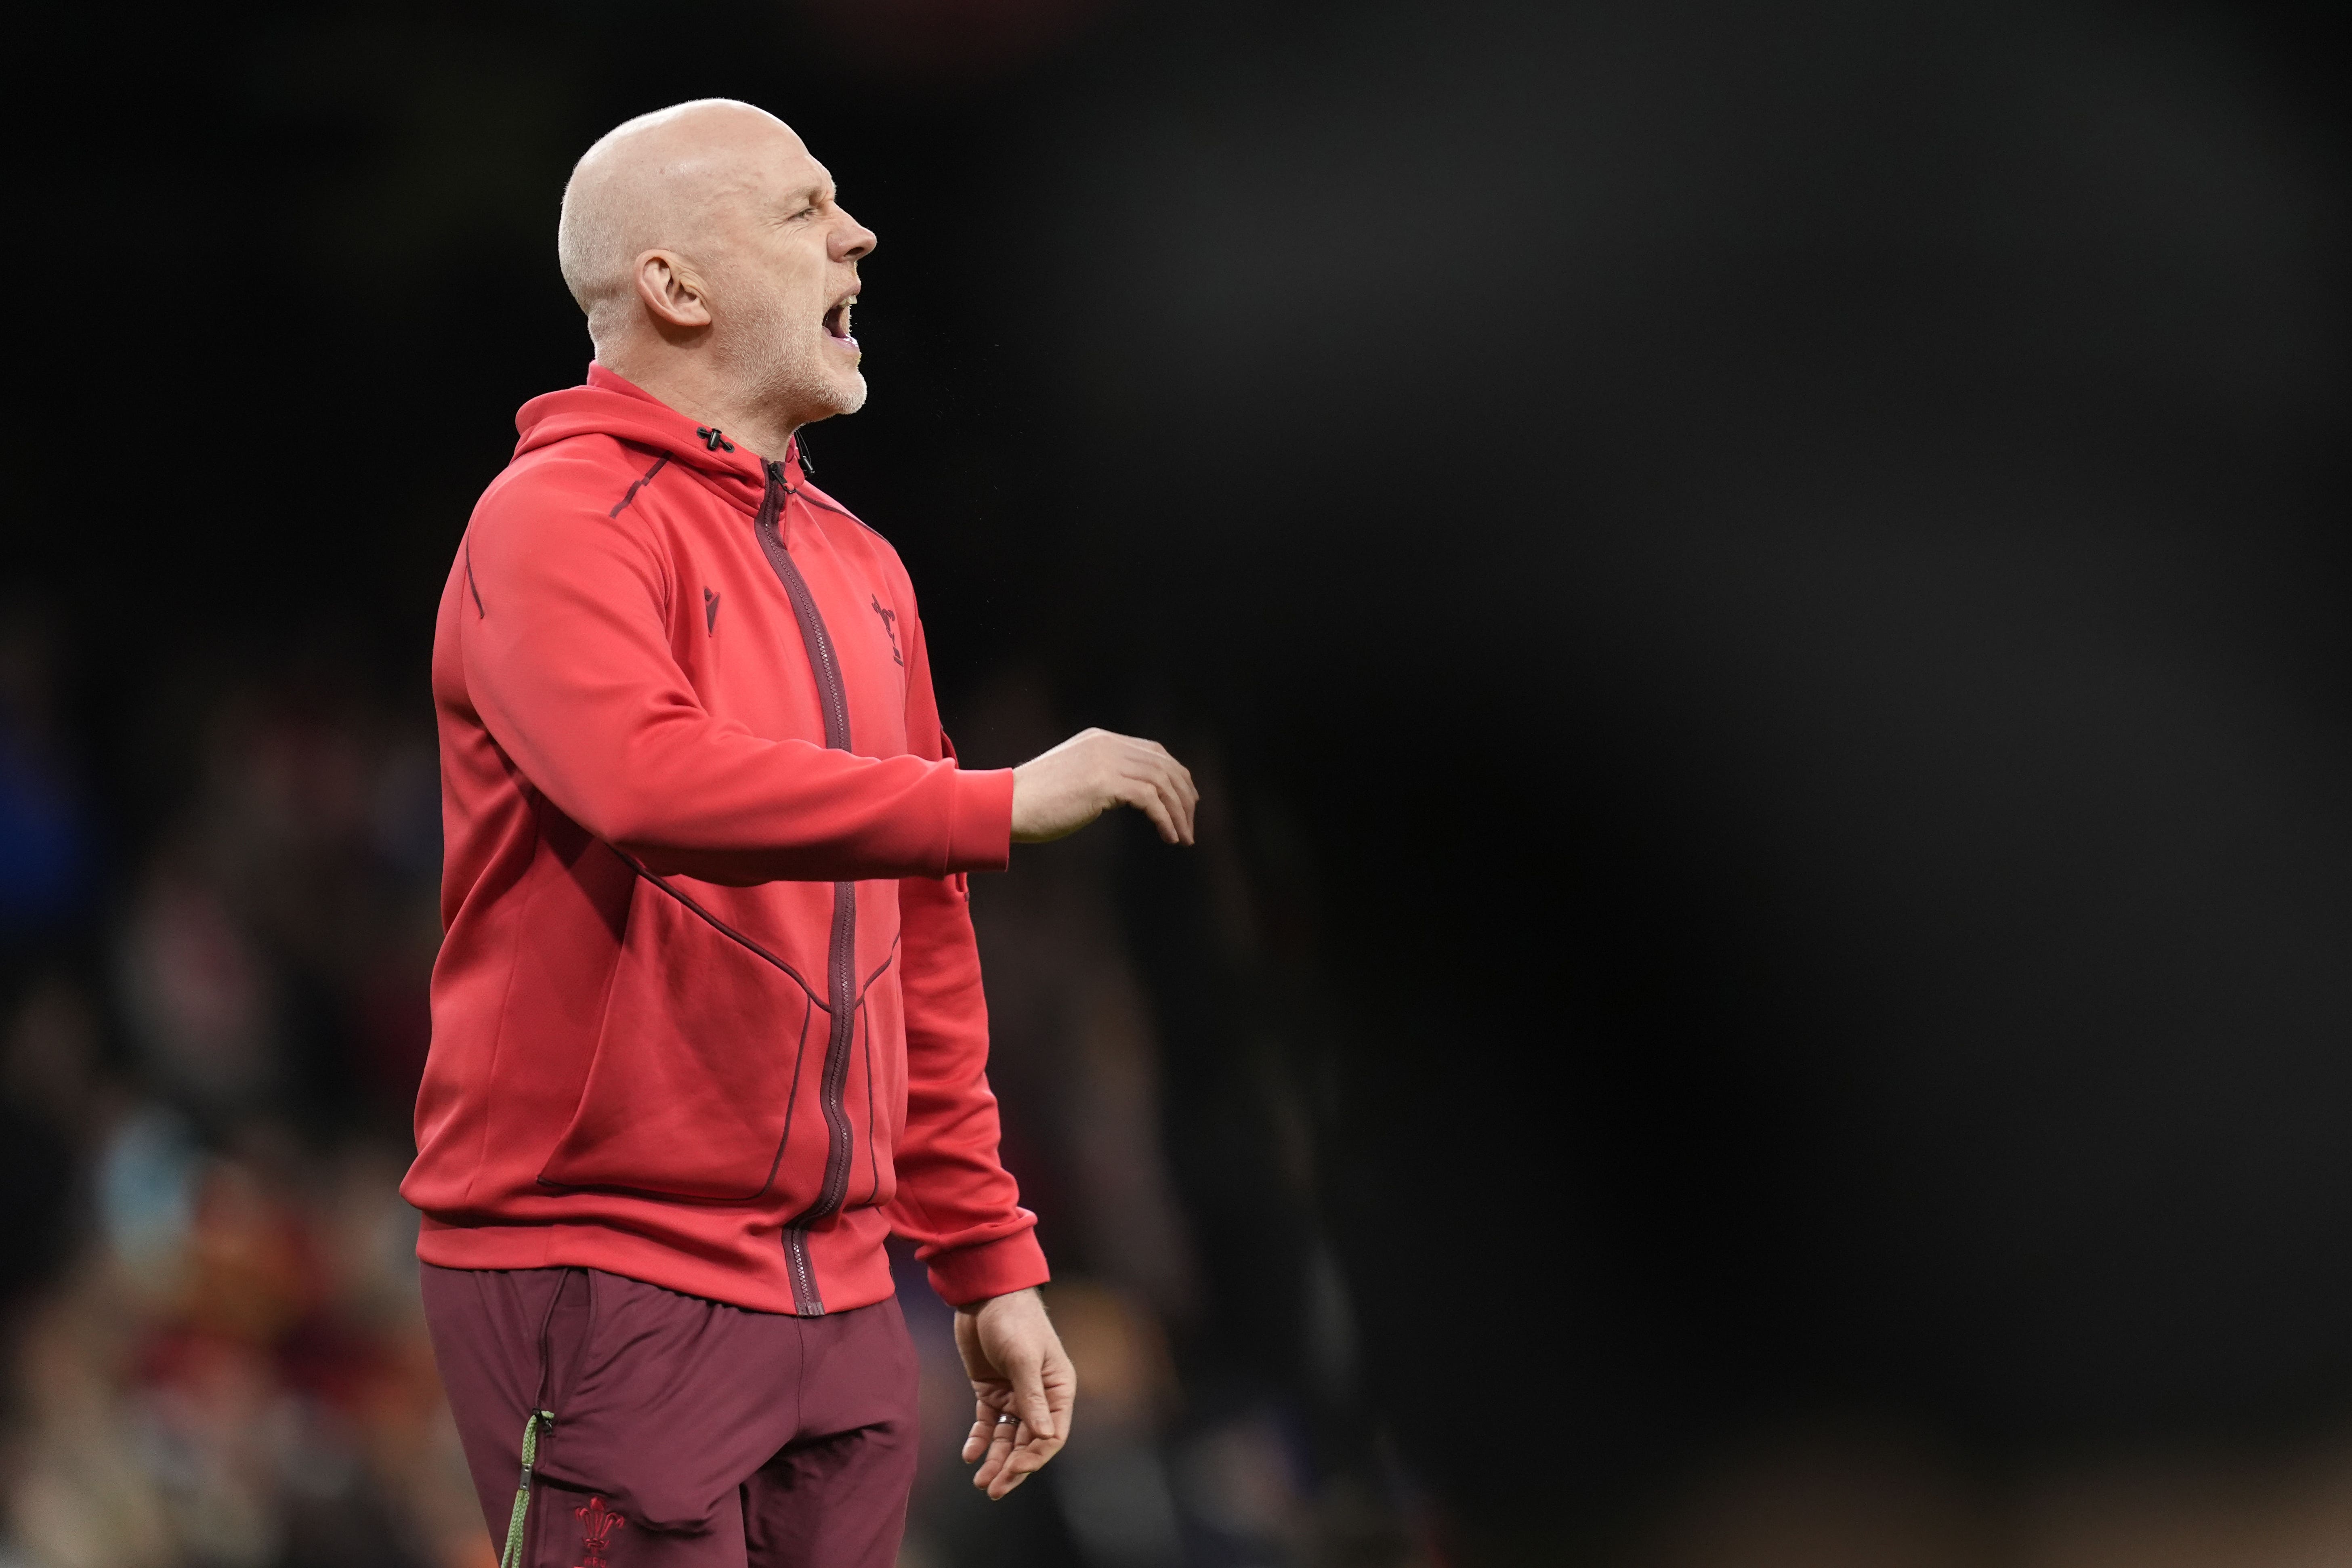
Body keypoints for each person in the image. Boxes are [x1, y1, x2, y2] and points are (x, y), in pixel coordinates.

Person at [400, 98, 1199, 1568]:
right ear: (675, 285)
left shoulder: (864, 565)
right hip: (605, 1270)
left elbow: (921, 931)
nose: (858, 235)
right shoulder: (555, 518)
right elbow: (644, 780)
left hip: (844, 1292)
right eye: (803, 209)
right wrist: (996, 799)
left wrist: (984, 1254)